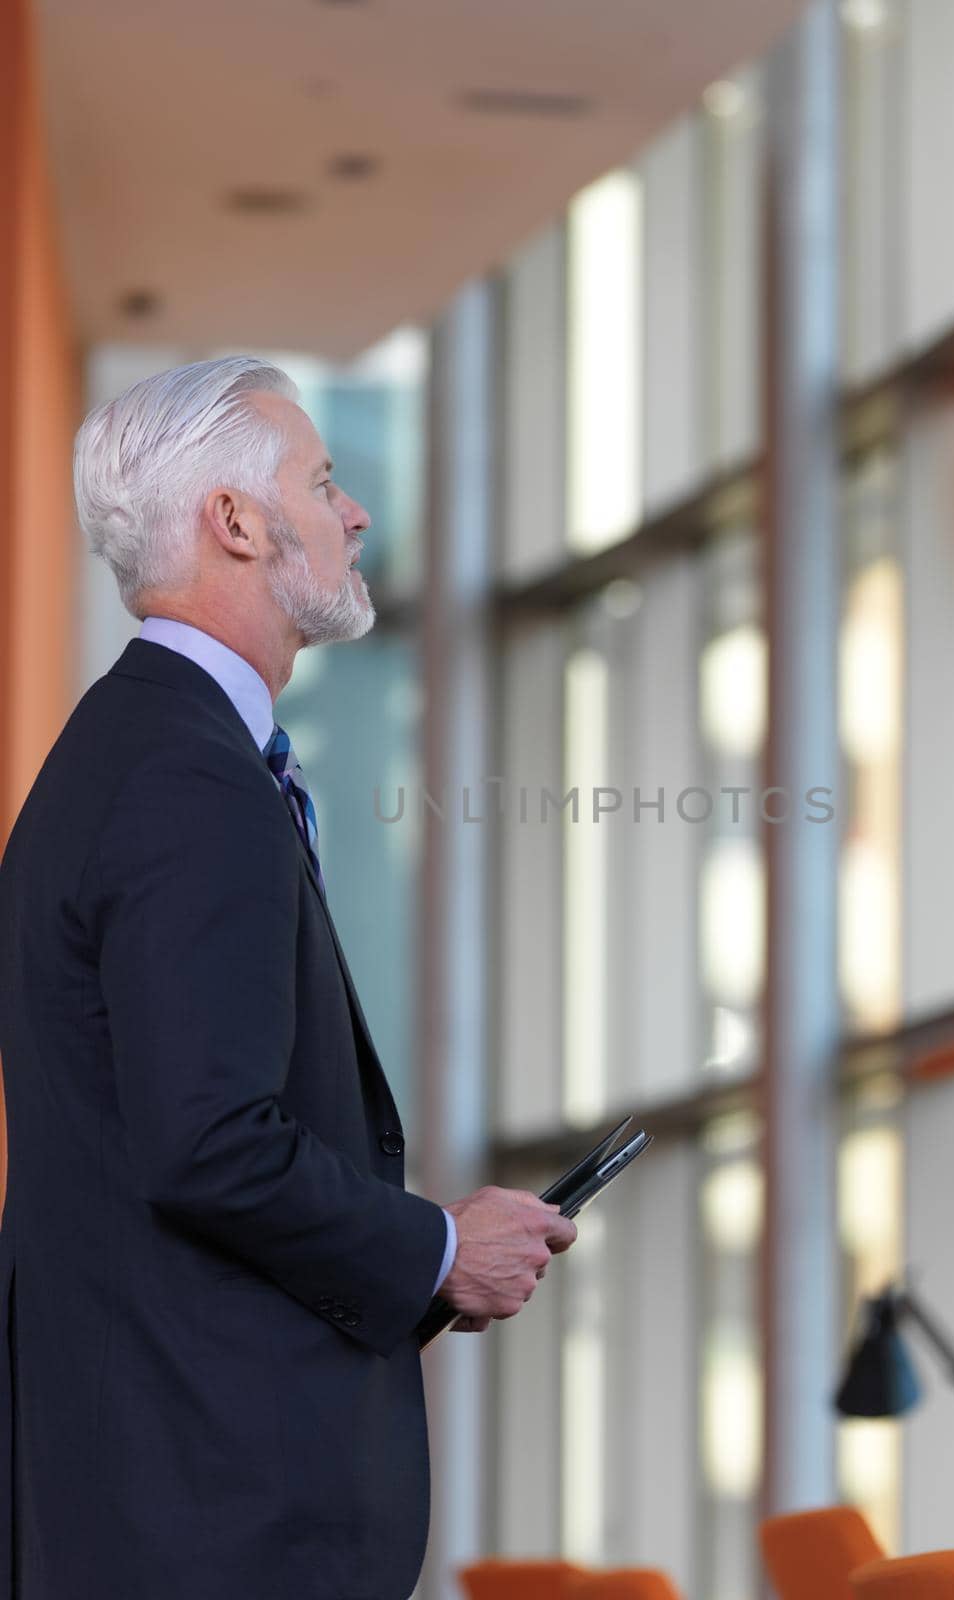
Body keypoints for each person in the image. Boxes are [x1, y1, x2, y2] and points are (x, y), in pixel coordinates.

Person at [0, 356, 577, 1600]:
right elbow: (208, 1145)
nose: (356, 510)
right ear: (236, 523)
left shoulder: (137, 751)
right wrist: (432, 1246)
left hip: (157, 1495)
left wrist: (426, 1261)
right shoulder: (188, 777)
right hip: (208, 1524)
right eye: (323, 480)